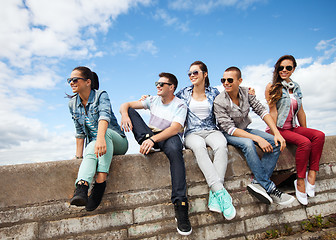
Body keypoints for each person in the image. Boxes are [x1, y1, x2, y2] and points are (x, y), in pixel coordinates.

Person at [119, 72, 192, 236]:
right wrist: (124, 114)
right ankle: (147, 141)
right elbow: (125, 104)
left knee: (175, 151)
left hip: (168, 137)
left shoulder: (180, 105)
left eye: (161, 84)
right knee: (131, 110)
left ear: (171, 87)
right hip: (150, 136)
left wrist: (153, 140)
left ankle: (180, 205)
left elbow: (174, 129)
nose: (158, 86)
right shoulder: (152, 100)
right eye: (156, 84)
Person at [213, 66, 295, 205]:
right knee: (248, 144)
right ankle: (270, 187)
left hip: (245, 129)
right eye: (223, 80)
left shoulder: (247, 93)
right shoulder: (219, 101)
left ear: (239, 80)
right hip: (228, 133)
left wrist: (277, 133)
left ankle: (258, 183)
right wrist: (257, 138)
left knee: (274, 143)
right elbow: (229, 128)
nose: (225, 83)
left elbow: (262, 111)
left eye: (230, 80)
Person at [175, 61, 235, 220]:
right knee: (199, 147)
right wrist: (148, 99)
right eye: (189, 73)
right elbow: (167, 101)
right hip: (192, 133)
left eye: (195, 72)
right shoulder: (183, 93)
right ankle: (221, 193)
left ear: (205, 74)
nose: (191, 76)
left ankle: (215, 195)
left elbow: (231, 100)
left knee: (221, 145)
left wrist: (248, 92)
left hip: (211, 129)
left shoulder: (214, 92)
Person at [265, 55, 325, 205]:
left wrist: (306, 131)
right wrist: (276, 133)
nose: (284, 70)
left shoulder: (295, 87)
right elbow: (272, 112)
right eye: (281, 68)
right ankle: (300, 181)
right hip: (278, 129)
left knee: (319, 136)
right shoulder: (272, 87)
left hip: (292, 127)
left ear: (293, 69)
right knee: (304, 143)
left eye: (288, 68)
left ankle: (311, 174)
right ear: (277, 69)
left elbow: (301, 112)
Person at [68, 66, 128, 211]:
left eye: (75, 79)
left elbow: (104, 116)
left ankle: (100, 183)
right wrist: (78, 157)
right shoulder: (72, 104)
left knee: (104, 133)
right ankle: (81, 188)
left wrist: (100, 138)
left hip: (116, 140)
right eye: (69, 80)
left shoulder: (101, 95)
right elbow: (80, 133)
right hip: (96, 145)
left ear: (88, 82)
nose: (71, 82)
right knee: (90, 148)